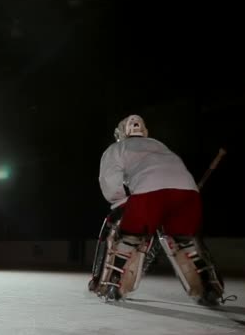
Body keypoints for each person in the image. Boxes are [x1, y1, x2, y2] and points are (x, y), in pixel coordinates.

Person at [90, 114, 226, 305]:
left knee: (129, 239)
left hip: (149, 192)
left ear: (120, 132)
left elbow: (109, 180)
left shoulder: (117, 148)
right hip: (187, 193)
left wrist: (121, 202)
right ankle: (208, 288)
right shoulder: (159, 145)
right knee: (186, 243)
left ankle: (114, 284)